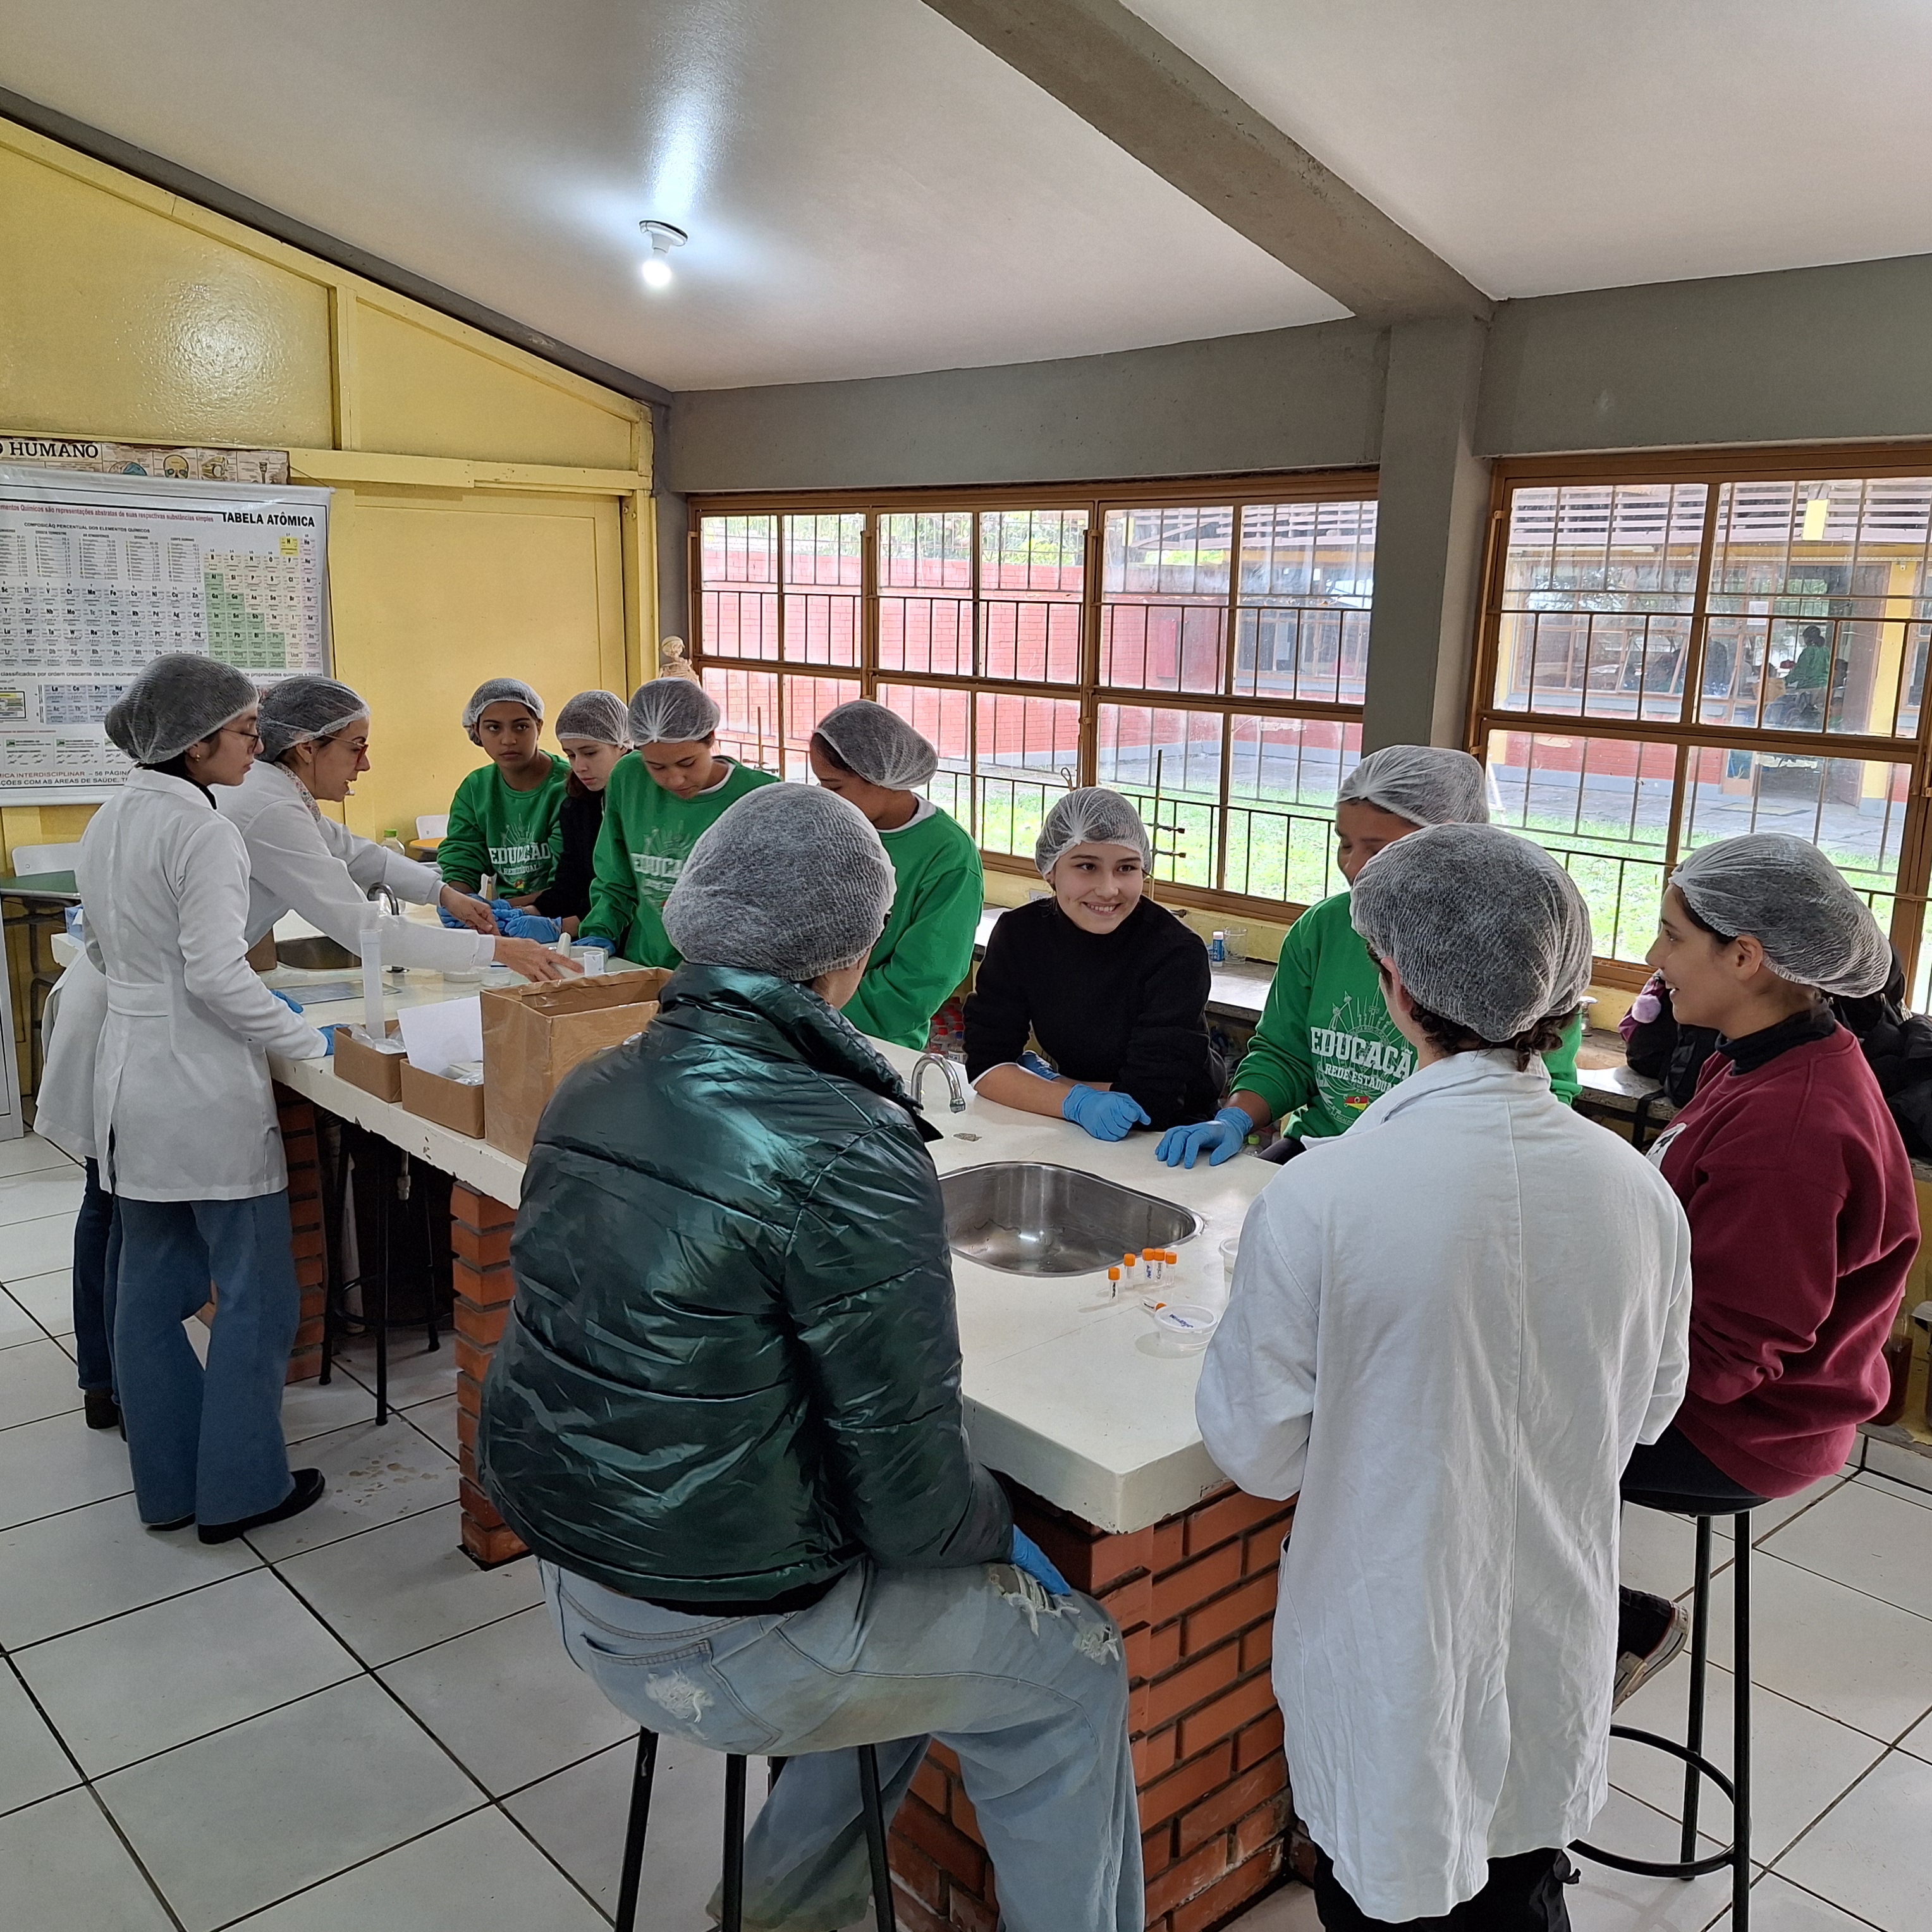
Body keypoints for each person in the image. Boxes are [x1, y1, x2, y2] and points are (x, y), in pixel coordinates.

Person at [479, 783, 1140, 1932]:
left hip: (580, 1573)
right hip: (726, 1628)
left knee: (918, 1622)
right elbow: (912, 1496)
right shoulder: (846, 1144)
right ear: (854, 951)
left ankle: (784, 1910)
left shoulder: (599, 1080)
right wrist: (1001, 1538)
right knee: (1073, 1670)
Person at [1197, 824, 1692, 1931]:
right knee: (1522, 1889)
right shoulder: (1639, 1191)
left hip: (1389, 1646)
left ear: (1396, 982)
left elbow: (1260, 1451)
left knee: (1388, 1892)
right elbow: (1651, 1409)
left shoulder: (1326, 1195)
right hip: (1553, 1628)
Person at [1614, 835, 1918, 1700]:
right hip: (1729, 1393)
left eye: (1673, 936)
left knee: (1473, 1432)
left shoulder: (1790, 1127)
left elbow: (1724, 1358)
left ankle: (1610, 1626)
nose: (1654, 956)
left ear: (1744, 957)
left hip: (1740, 1431)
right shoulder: (1762, 1056)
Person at [76, 654, 337, 1542]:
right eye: (245, 732)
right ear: (195, 746)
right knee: (258, 1294)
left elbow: (105, 952)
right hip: (200, 1090)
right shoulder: (204, 830)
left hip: (128, 1084)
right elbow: (219, 976)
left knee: (147, 1293)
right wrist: (308, 1042)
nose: (258, 747)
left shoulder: (110, 818)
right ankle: (241, 1490)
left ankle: (170, 1489)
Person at [1158, 745, 1582, 1169]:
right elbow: (1286, 1054)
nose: (1353, 866)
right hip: (1322, 1149)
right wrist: (1235, 1117)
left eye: (1379, 851)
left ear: (1451, 847)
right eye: (1345, 844)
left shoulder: (1515, 950)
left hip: (1445, 1164)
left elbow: (1544, 1091)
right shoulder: (1323, 928)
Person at [217, 676, 573, 981]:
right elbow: (366, 931)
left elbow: (357, 854)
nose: (366, 764)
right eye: (356, 748)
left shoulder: (275, 792)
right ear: (308, 748)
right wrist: (497, 949)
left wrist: (445, 894)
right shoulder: (273, 809)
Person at [965, 788, 1220, 1140]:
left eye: (1126, 868)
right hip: (1069, 1126)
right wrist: (1074, 1101)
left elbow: (1150, 1100)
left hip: (1173, 1137)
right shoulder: (1020, 934)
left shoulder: (1175, 952)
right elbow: (987, 1066)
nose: (1108, 889)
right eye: (1087, 866)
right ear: (1051, 871)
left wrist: (1054, 1086)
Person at [808, 698, 982, 1049]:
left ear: (880, 777)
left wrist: (815, 1008)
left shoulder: (947, 854)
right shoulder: (825, 825)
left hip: (875, 1040)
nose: (826, 798)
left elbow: (923, 978)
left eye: (835, 787)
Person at [578, 678, 776, 967]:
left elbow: (769, 905)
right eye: (656, 766)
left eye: (687, 763)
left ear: (710, 738)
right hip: (643, 964)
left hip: (722, 973)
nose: (674, 780)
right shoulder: (629, 778)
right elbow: (615, 879)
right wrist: (599, 932)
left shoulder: (760, 796)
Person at [38, 908, 118, 1431]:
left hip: (98, 1000)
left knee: (103, 1205)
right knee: (121, 1217)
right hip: (115, 1019)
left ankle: (102, 1381)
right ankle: (125, 1385)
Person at [492, 688, 632, 939]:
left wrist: (565, 927)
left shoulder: (641, 805)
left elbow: (628, 890)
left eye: (590, 753)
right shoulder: (578, 804)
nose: (580, 766)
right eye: (571, 755)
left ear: (622, 744)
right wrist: (531, 911)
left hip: (632, 937)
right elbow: (572, 881)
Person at [437, 677, 568, 905]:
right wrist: (458, 901)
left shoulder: (568, 786)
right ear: (476, 730)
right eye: (494, 728)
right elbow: (463, 858)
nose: (508, 740)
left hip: (566, 915)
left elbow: (570, 884)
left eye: (521, 726)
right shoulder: (475, 789)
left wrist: (497, 909)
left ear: (538, 726)